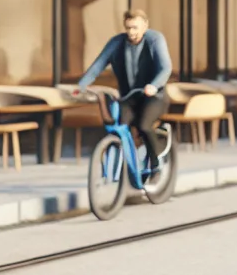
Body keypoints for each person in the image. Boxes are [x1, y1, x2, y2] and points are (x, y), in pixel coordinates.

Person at [74, 9, 173, 167]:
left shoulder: (155, 39)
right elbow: (98, 66)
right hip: (129, 97)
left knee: (143, 125)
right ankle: (125, 170)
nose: (131, 32)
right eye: (128, 28)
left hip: (153, 96)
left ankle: (156, 162)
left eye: (135, 28)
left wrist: (154, 86)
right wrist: (81, 86)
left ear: (145, 26)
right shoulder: (117, 42)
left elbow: (166, 67)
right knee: (120, 128)